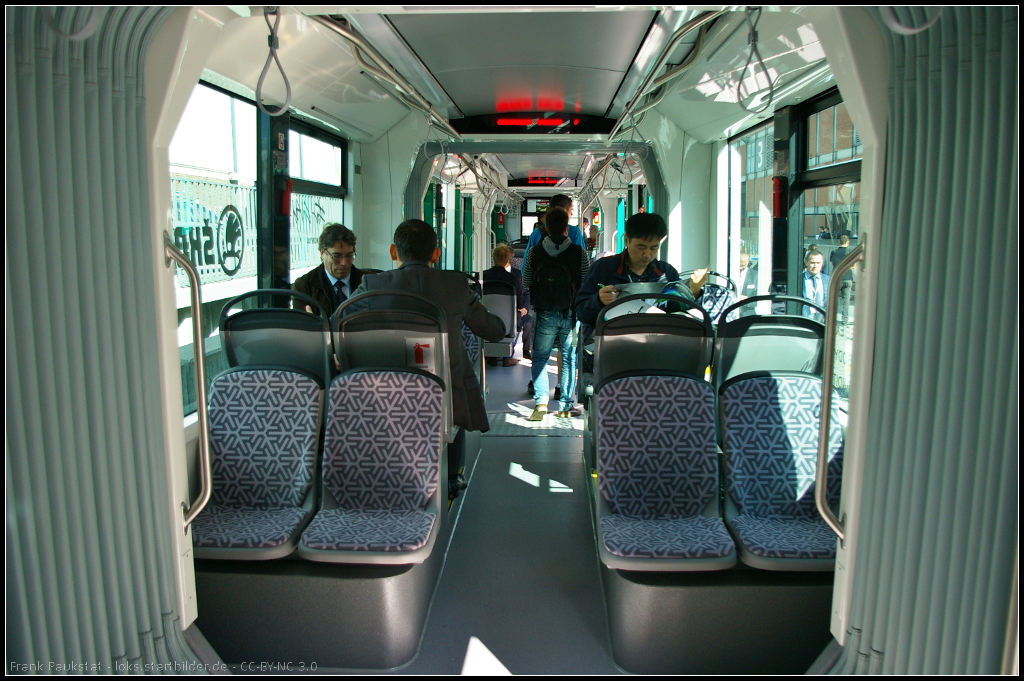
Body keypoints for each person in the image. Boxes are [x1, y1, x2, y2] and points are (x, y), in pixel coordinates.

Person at [349, 220, 507, 497]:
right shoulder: (456, 285)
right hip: (445, 388)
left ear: (392, 252)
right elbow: (492, 330)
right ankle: (451, 475)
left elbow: (340, 322)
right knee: (456, 379)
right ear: (435, 253)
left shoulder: (372, 284)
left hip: (388, 387)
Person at [575, 212, 708, 330]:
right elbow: (581, 312)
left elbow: (680, 313)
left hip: (656, 348)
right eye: (641, 247)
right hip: (613, 347)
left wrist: (694, 290)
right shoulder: (603, 268)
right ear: (627, 240)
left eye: (653, 248)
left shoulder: (666, 273)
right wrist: (598, 300)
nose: (647, 254)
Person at [522, 207, 589, 420]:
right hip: (570, 313)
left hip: (543, 313)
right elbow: (586, 283)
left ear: (545, 229)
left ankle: (541, 403)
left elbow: (525, 282)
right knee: (568, 358)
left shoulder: (535, 251)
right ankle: (565, 406)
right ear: (566, 228)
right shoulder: (579, 253)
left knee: (540, 356)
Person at [292, 223, 365, 314]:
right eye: (337, 256)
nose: (344, 263)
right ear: (322, 253)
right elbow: (299, 325)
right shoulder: (304, 286)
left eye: (349, 255)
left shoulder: (370, 282)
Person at [483, 243, 530, 365]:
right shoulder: (513, 279)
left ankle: (491, 356)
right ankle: (507, 357)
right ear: (508, 260)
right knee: (524, 320)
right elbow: (520, 302)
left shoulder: (483, 275)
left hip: (488, 318)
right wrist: (522, 308)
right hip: (509, 320)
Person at [520, 194, 586, 274]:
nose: (571, 214)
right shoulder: (575, 232)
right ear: (564, 211)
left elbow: (526, 265)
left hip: (541, 282)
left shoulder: (536, 232)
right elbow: (582, 262)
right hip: (569, 283)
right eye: (571, 210)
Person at [829, 234, 855, 321]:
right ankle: (845, 319)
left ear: (839, 242)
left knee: (834, 298)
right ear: (848, 242)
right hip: (848, 277)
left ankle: (832, 318)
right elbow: (853, 265)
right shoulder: (851, 251)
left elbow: (832, 264)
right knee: (846, 300)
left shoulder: (834, 252)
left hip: (837, 278)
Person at [802, 250, 829, 319]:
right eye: (812, 263)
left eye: (818, 263)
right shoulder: (800, 279)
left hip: (822, 319)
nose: (815, 266)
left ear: (822, 263)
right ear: (806, 262)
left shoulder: (828, 280)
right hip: (804, 318)